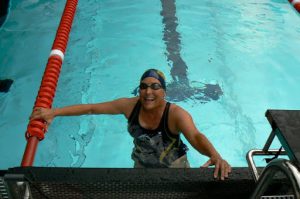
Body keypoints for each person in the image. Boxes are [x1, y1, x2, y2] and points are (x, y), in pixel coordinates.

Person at [30, 69, 231, 180]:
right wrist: (54, 112)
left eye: (155, 87)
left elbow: (195, 136)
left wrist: (215, 155)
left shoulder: (175, 114)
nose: (148, 92)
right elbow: (92, 108)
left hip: (175, 170)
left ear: (164, 92)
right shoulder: (129, 106)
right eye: (143, 87)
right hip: (141, 166)